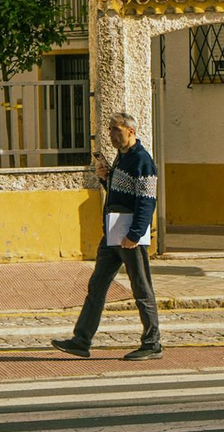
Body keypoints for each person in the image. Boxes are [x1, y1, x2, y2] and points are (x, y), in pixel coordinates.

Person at [52, 111, 162, 361]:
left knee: (141, 288)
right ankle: (81, 340)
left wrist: (134, 234)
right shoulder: (122, 159)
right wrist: (106, 179)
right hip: (112, 233)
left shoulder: (142, 161)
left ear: (130, 131)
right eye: (110, 129)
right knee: (97, 286)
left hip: (128, 235)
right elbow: (120, 193)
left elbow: (146, 201)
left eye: (115, 129)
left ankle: (153, 342)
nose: (111, 134)